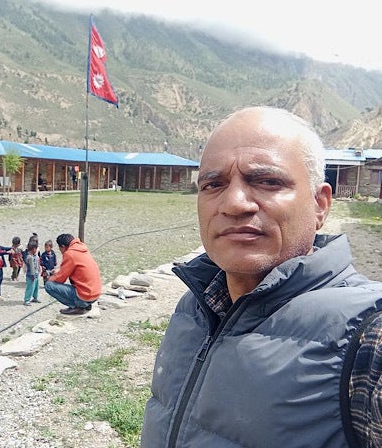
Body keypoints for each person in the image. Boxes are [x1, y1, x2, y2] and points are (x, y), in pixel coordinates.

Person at [141, 107, 382, 448]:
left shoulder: (367, 338)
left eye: (268, 181)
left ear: (320, 205)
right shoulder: (195, 307)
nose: (234, 203)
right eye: (213, 184)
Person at [44, 233, 102, 315]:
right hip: (95, 293)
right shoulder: (81, 248)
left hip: (85, 296)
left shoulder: (69, 254)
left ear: (63, 247)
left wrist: (49, 278)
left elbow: (61, 279)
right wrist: (59, 271)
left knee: (49, 286)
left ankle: (78, 307)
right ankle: (85, 305)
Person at [23, 240, 41, 306]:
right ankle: (27, 300)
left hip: (36, 274)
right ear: (33, 249)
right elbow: (32, 267)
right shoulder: (29, 257)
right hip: (31, 275)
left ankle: (35, 297)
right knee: (30, 287)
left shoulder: (34, 256)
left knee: (36, 287)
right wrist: (33, 275)